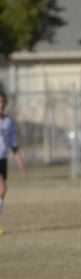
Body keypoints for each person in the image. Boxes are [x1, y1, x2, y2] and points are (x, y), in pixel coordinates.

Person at [0, 90, 26, 235]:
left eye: (3, 102)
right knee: (2, 187)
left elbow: (13, 145)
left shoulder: (8, 122)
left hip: (2, 160)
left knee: (2, 191)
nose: (1, 105)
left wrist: (20, 163)